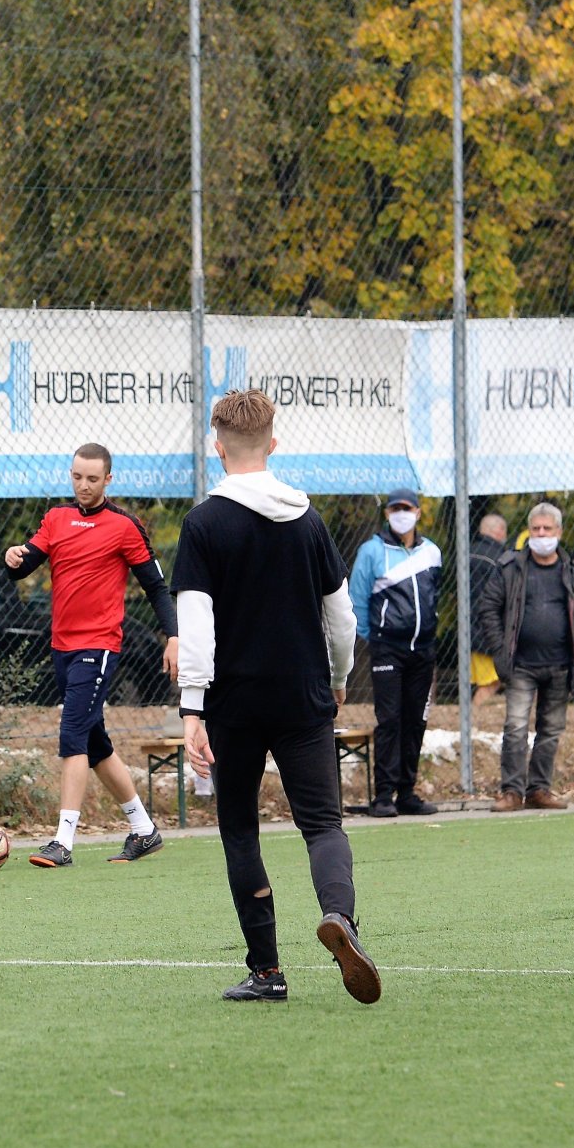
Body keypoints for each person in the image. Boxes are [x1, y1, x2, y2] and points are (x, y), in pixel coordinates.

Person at [173, 389, 378, 1005]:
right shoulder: (308, 521)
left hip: (233, 704)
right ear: (274, 444)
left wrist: (191, 707)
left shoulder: (203, 524)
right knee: (323, 824)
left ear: (217, 447)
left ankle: (266, 971)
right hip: (301, 695)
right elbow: (341, 617)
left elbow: (196, 624)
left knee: (241, 831)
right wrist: (338, 677)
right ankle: (339, 916)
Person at [4, 442, 180, 867]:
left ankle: (63, 841)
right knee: (95, 744)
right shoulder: (56, 518)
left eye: (93, 479)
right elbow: (24, 564)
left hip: (98, 647)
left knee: (72, 734)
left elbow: (156, 588)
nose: (84, 485)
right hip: (61, 647)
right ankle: (144, 829)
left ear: (108, 480)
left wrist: (173, 636)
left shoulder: (124, 526)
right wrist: (12, 559)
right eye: (77, 477)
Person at [473, 502, 574, 813]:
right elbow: (488, 608)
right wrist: (500, 649)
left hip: (560, 664)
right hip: (520, 665)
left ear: (559, 532)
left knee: (551, 729)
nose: (541, 534)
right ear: (528, 531)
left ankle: (539, 789)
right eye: (536, 529)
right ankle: (511, 792)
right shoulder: (510, 568)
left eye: (547, 529)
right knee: (515, 727)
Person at [348, 487, 442, 817]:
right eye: (395, 508)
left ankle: (407, 792)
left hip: (423, 650)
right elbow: (357, 599)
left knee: (416, 719)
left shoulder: (432, 552)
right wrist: (374, 637)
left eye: (407, 508)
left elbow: (434, 594)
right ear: (387, 513)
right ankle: (384, 795)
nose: (401, 514)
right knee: (389, 720)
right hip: (387, 649)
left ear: (418, 512)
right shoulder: (371, 551)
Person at [468, 513, 510, 705]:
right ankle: (473, 716)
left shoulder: (468, 552)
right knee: (491, 682)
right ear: (499, 531)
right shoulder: (499, 558)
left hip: (471, 626)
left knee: (491, 680)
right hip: (489, 629)